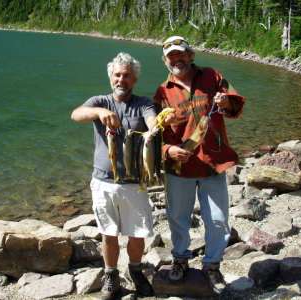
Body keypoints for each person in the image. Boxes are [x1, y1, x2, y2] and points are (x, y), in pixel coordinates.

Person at [154, 36, 245, 294]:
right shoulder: (163, 92)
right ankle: (180, 259)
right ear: (165, 60)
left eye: (180, 54)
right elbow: (153, 133)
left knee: (217, 219)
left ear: (190, 55)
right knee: (177, 219)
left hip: (212, 162)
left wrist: (226, 103)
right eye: (171, 56)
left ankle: (212, 266)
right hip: (179, 169)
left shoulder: (213, 76)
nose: (176, 59)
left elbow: (235, 104)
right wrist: (168, 150)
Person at [71, 52, 155, 299]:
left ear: (134, 79)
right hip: (103, 182)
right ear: (111, 77)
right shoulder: (100, 101)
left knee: (137, 233)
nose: (121, 80)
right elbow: (75, 114)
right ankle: (110, 275)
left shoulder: (144, 103)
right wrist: (97, 112)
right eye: (117, 75)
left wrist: (153, 129)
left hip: (134, 183)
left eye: (127, 75)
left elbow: (152, 120)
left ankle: (136, 271)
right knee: (108, 233)